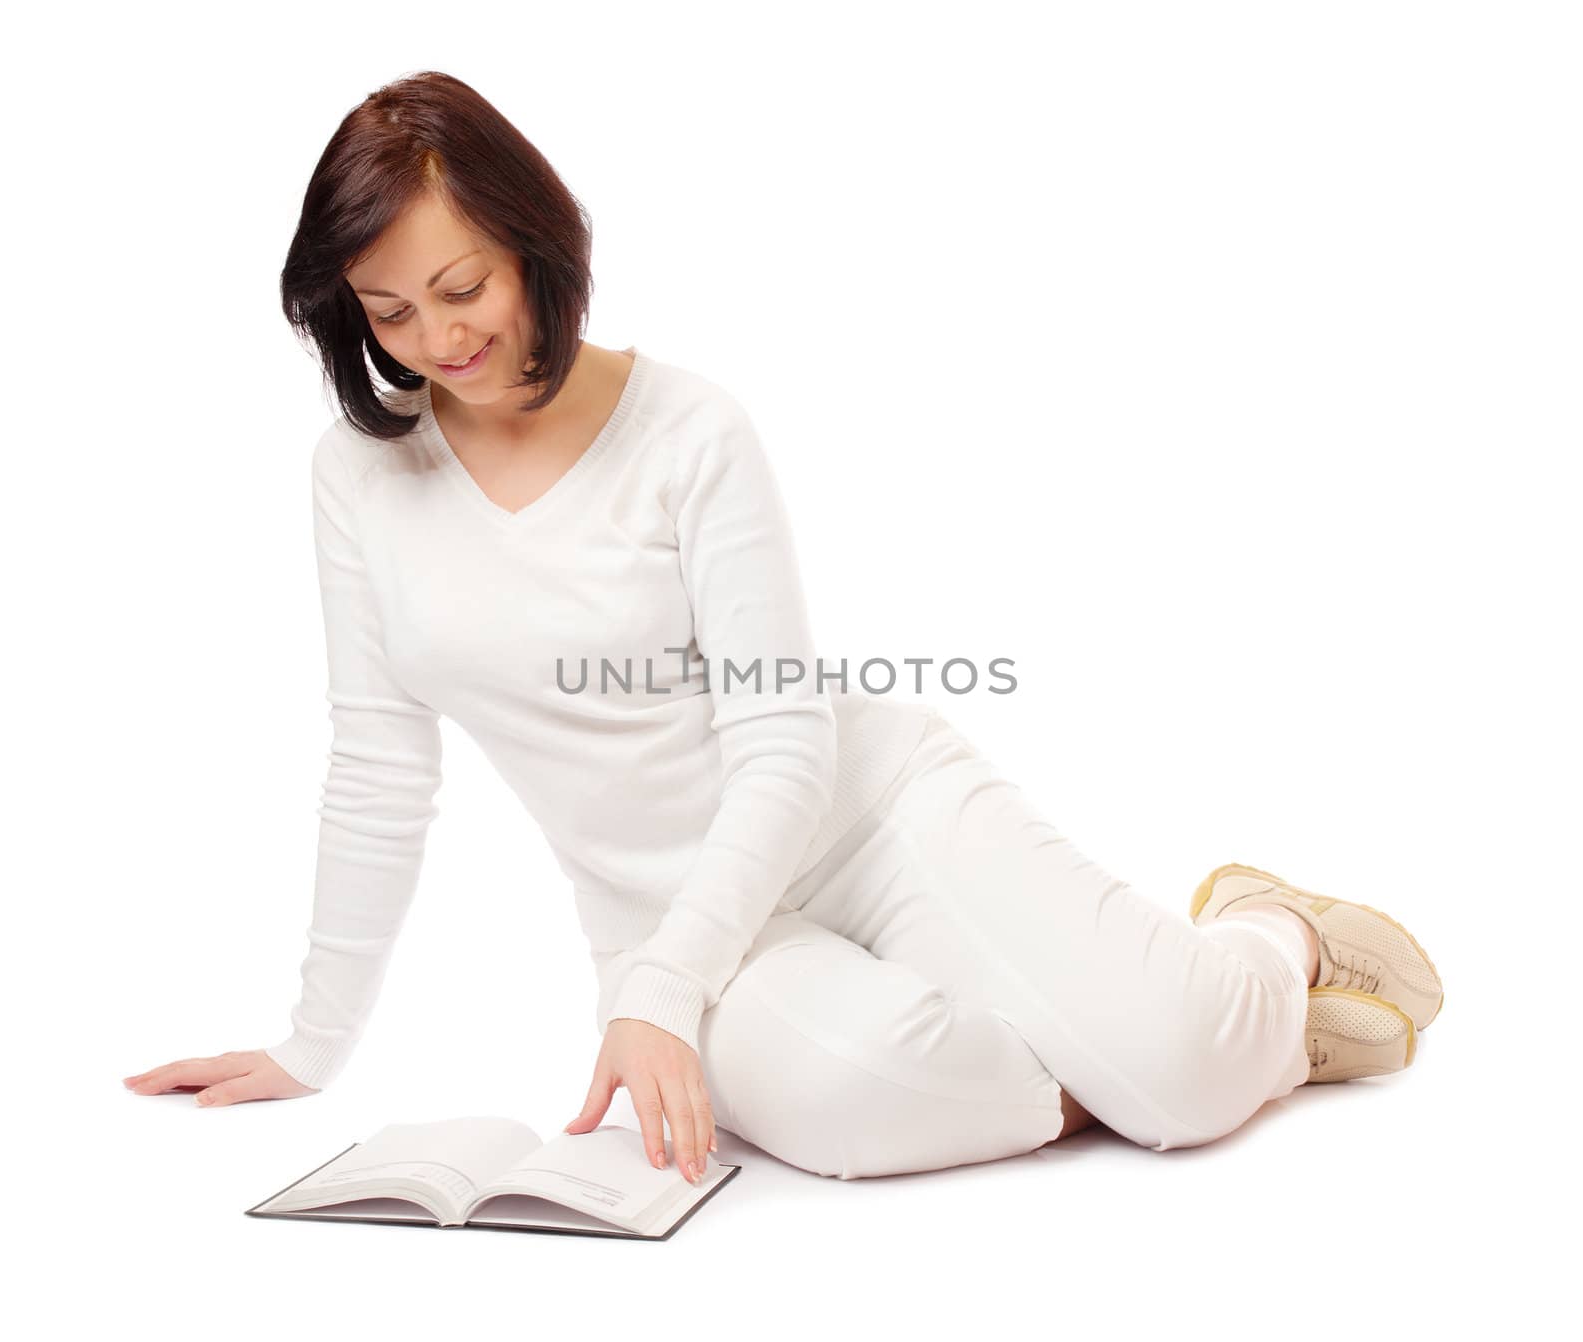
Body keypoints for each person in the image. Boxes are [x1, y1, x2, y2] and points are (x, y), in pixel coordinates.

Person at [122, 71, 1445, 1184]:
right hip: (663, 914)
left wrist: (662, 995)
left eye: (459, 286)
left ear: (529, 241)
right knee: (855, 1096)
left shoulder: (690, 428)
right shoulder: (357, 479)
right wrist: (313, 1039)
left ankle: (1269, 940)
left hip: (862, 812)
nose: (434, 338)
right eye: (389, 311)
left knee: (1194, 1073)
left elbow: (782, 742)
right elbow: (377, 768)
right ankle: (1130, 1041)